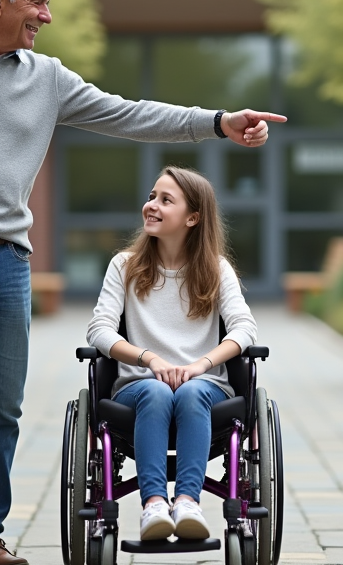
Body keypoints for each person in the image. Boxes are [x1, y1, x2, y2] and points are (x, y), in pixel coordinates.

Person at [0, 0, 285, 565]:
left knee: (2, 406)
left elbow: (130, 113)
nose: (48, 15)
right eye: (38, 2)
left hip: (7, 260)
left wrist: (219, 124)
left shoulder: (47, 77)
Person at [86, 166, 257, 541]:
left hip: (205, 387)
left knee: (192, 390)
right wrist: (149, 359)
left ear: (192, 217)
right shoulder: (125, 266)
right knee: (156, 389)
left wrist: (201, 365)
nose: (152, 206)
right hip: (139, 387)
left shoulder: (216, 269)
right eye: (151, 197)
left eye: (165, 200)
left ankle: (187, 503)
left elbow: (245, 329)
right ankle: (153, 507)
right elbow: (99, 329)